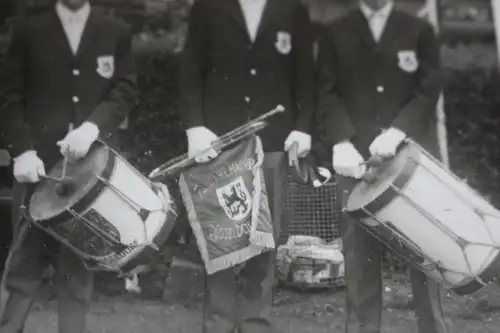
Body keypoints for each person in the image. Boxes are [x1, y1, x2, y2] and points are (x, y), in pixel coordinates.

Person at [0, 0, 137, 332]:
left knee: (77, 266)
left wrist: (93, 127)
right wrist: (22, 151)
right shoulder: (30, 30)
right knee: (23, 264)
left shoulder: (115, 31)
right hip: (37, 166)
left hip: (91, 169)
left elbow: (126, 89)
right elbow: (8, 96)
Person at [179, 0, 315, 331]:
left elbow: (306, 76)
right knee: (220, 241)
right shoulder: (208, 8)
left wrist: (304, 126)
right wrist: (194, 127)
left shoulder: (292, 10)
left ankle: (256, 325)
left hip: (272, 145)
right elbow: (188, 70)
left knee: (264, 242)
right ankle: (218, 325)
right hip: (219, 145)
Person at [316, 0, 449, 332]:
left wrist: (398, 131)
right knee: (360, 260)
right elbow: (325, 91)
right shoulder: (336, 32)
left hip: (411, 158)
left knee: (424, 256)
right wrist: (341, 141)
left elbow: (429, 90)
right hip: (356, 163)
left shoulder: (418, 30)